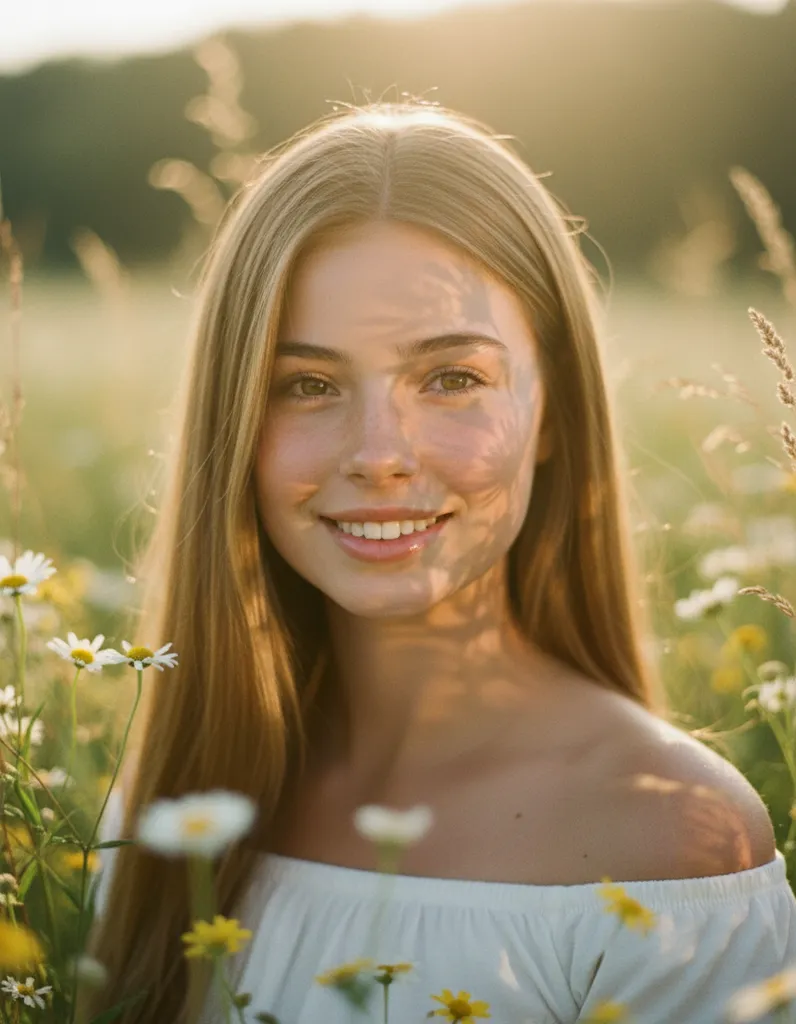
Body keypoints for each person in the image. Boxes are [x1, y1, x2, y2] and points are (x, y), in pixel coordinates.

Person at [84, 102, 796, 1024]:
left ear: (555, 412)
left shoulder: (674, 839)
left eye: (452, 378)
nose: (380, 453)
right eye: (306, 385)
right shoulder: (174, 796)